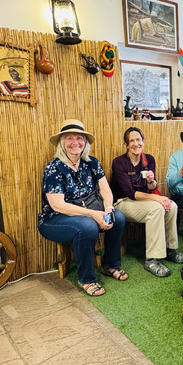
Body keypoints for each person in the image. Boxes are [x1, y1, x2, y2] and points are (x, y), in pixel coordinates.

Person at [37, 119, 127, 297]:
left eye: (79, 138)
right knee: (87, 226)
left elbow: (105, 190)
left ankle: (110, 265)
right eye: (69, 138)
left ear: (85, 142)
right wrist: (94, 214)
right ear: (62, 143)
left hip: (88, 210)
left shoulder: (92, 162)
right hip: (55, 218)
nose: (75, 142)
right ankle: (86, 278)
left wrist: (108, 209)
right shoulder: (53, 167)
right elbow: (57, 204)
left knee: (118, 218)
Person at [111, 127, 183, 277]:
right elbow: (130, 193)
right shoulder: (119, 163)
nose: (135, 143)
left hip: (144, 200)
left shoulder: (149, 159)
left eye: (138, 140)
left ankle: (170, 250)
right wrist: (158, 198)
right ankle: (151, 259)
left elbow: (152, 187)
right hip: (122, 203)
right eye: (131, 141)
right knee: (156, 208)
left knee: (172, 206)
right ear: (126, 144)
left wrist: (151, 181)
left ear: (143, 142)